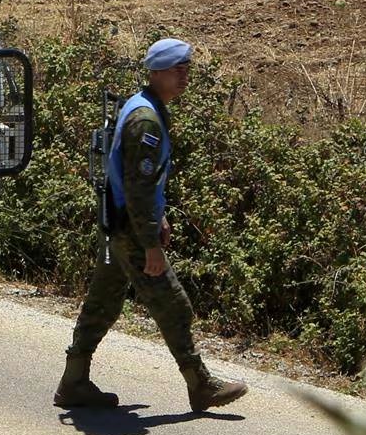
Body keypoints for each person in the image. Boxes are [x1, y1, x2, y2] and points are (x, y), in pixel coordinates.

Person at [55, 37, 248, 413]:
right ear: (156, 72)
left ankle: (73, 381)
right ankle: (201, 385)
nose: (184, 76)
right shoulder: (146, 119)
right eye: (177, 70)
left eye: (186, 69)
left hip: (121, 223)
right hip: (130, 231)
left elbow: (140, 181)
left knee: (101, 304)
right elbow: (138, 187)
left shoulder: (145, 106)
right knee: (174, 306)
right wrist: (151, 245)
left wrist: (159, 216)